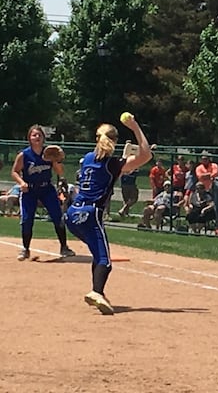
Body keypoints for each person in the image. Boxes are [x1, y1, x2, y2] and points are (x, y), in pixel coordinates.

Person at [65, 116, 152, 315]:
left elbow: (107, 172)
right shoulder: (112, 164)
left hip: (72, 214)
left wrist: (120, 161)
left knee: (97, 253)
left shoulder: (87, 158)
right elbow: (146, 155)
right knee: (105, 260)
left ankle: (98, 292)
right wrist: (135, 127)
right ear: (114, 140)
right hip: (91, 213)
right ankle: (96, 291)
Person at [11, 125, 75, 260]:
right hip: (30, 190)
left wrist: (56, 160)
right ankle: (25, 249)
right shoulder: (24, 155)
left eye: (39, 135)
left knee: (58, 217)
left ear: (43, 138)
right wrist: (21, 183)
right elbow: (14, 172)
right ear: (29, 138)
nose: (37, 137)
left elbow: (59, 171)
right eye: (34, 135)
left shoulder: (49, 153)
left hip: (47, 189)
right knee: (27, 219)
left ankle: (64, 247)